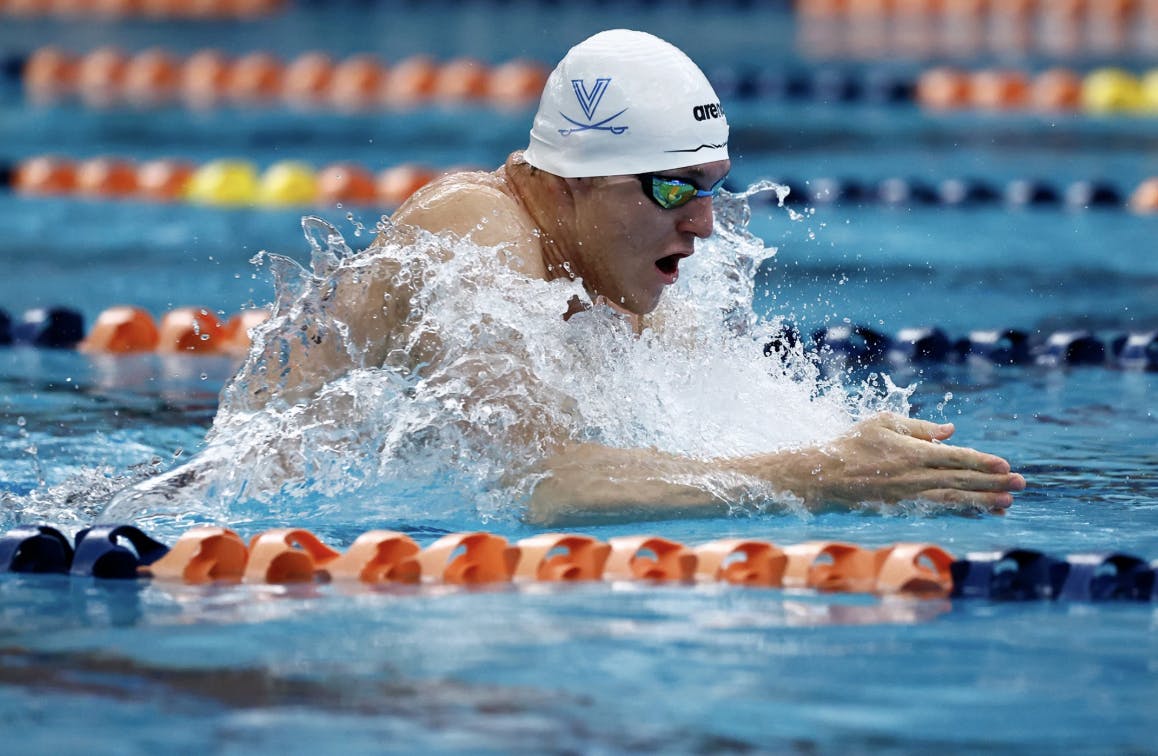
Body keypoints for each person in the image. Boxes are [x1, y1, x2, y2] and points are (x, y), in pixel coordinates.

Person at [237, 29, 1026, 524]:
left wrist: (877, 465)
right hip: (246, 543)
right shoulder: (473, 228)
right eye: (673, 188)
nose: (704, 223)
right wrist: (817, 476)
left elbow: (711, 432)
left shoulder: (610, 270)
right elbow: (536, 482)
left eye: (710, 186)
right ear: (575, 181)